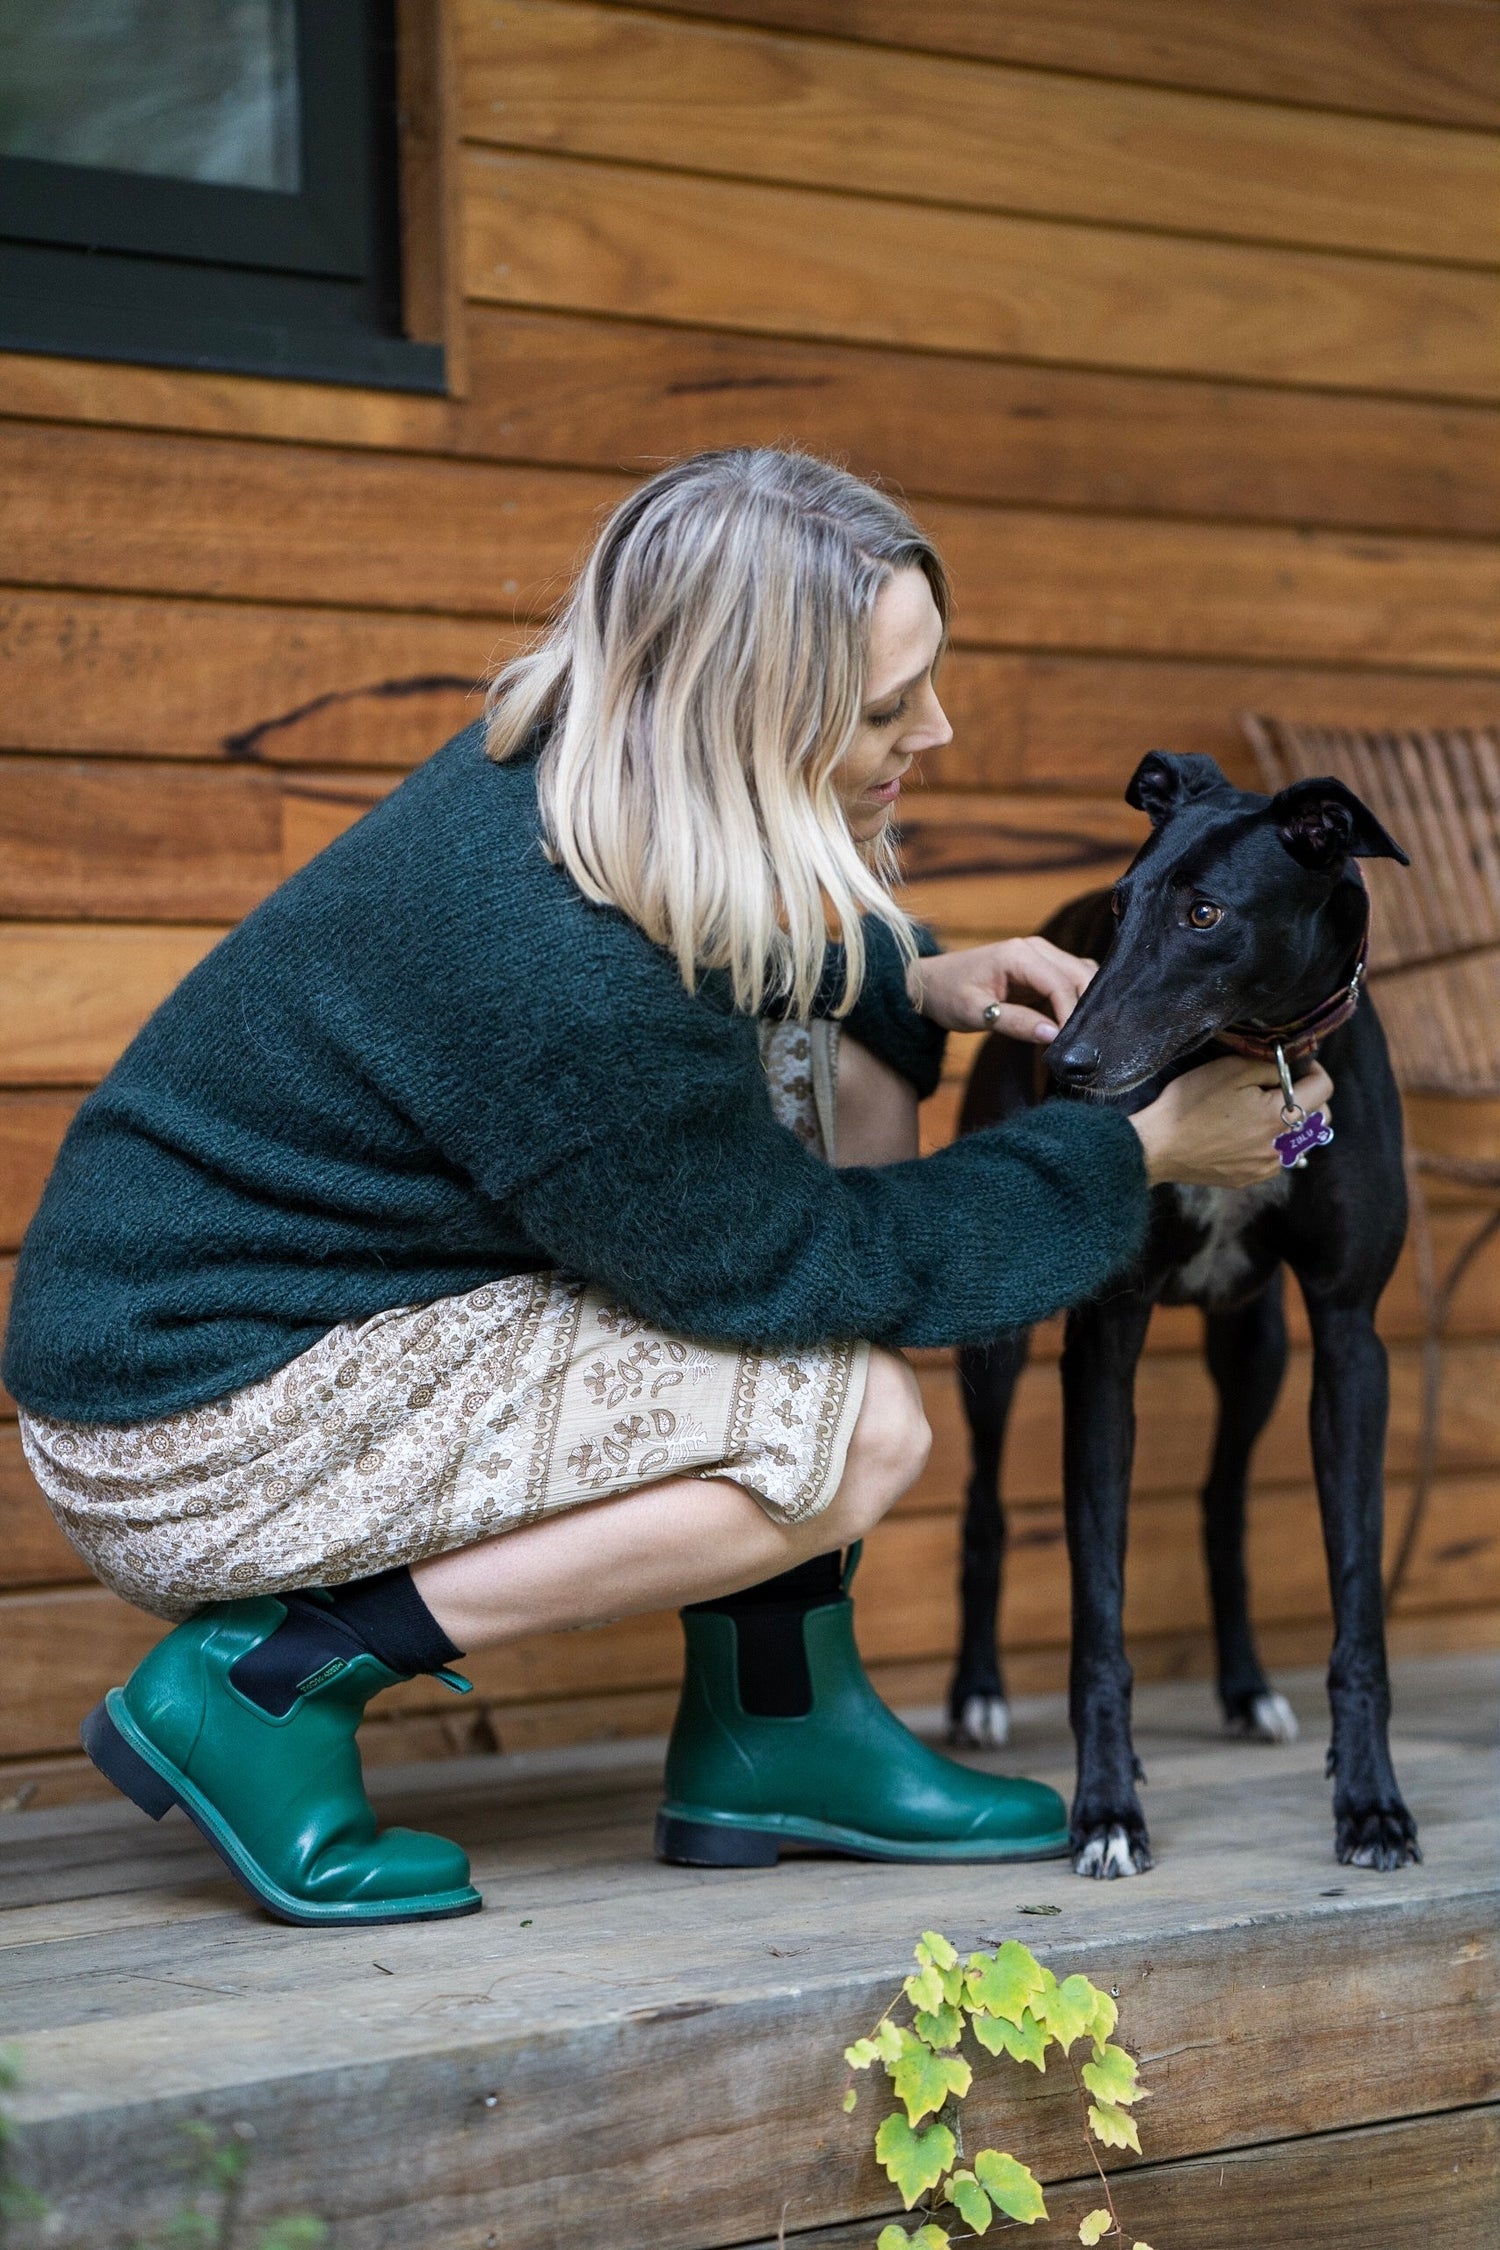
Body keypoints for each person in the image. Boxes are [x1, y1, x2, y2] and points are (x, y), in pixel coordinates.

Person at [3, 451, 1330, 1927]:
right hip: (188, 1411)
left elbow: (745, 950)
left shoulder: (596, 767)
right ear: (750, 713)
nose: (935, 728)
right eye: (891, 706)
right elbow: (798, 1262)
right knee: (851, 1430)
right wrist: (1140, 1150)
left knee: (833, 1051)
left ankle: (780, 1709)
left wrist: (907, 974)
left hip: (279, 1305)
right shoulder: (562, 960)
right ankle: (266, 1679)